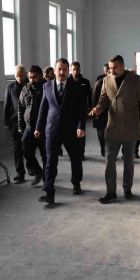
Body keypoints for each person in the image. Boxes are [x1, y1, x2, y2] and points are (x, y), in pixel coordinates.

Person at [89, 55, 140, 204]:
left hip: (130, 127)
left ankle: (127, 188)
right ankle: (111, 192)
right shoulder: (106, 80)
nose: (112, 71)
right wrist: (97, 109)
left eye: (115, 67)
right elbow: (104, 100)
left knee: (128, 161)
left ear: (122, 66)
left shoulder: (136, 80)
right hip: (113, 127)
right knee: (109, 160)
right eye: (110, 68)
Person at [34, 58, 86, 209]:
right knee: (50, 161)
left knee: (75, 158)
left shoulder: (76, 87)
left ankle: (76, 182)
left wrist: (81, 126)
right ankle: (48, 192)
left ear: (68, 71)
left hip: (71, 130)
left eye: (64, 69)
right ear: (54, 70)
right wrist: (38, 127)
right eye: (59, 69)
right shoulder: (46, 86)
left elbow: (82, 110)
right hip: (52, 129)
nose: (62, 72)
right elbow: (43, 109)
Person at [18, 65, 46, 186]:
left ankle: (47, 180)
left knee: (46, 155)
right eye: (30, 77)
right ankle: (38, 172)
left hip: (44, 128)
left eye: (34, 77)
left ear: (40, 76)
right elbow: (20, 107)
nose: (32, 80)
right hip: (29, 127)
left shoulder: (47, 88)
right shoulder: (25, 89)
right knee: (25, 149)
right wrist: (20, 125)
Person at [3, 64, 29, 183]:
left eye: (21, 75)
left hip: (28, 121)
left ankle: (31, 168)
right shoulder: (10, 87)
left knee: (28, 147)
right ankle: (20, 173)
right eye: (17, 75)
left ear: (25, 75)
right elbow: (7, 105)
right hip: (15, 122)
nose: (19, 78)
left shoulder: (29, 85)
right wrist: (6, 122)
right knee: (17, 148)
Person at [69, 62, 92, 161]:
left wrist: (90, 107)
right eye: (73, 69)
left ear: (80, 70)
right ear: (71, 70)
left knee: (81, 132)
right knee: (71, 134)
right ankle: (73, 154)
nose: (75, 71)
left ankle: (81, 153)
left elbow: (90, 96)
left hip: (81, 111)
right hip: (69, 111)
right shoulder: (67, 81)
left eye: (77, 69)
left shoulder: (85, 82)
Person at [92, 64, 110, 157]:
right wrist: (96, 112)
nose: (108, 72)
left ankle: (108, 150)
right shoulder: (99, 82)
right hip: (101, 112)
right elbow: (94, 99)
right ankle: (103, 148)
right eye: (107, 71)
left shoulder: (116, 82)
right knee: (101, 133)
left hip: (111, 112)